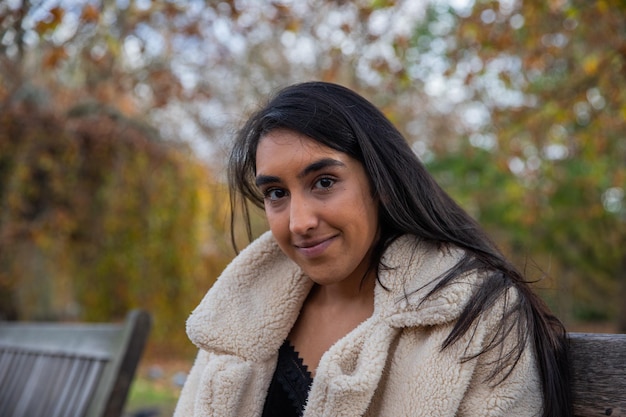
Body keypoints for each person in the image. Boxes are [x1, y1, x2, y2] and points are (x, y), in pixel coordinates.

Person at [173, 81, 571, 416]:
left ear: (380, 182)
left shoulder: (478, 314)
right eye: (276, 193)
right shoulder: (238, 313)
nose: (299, 221)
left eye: (324, 182)